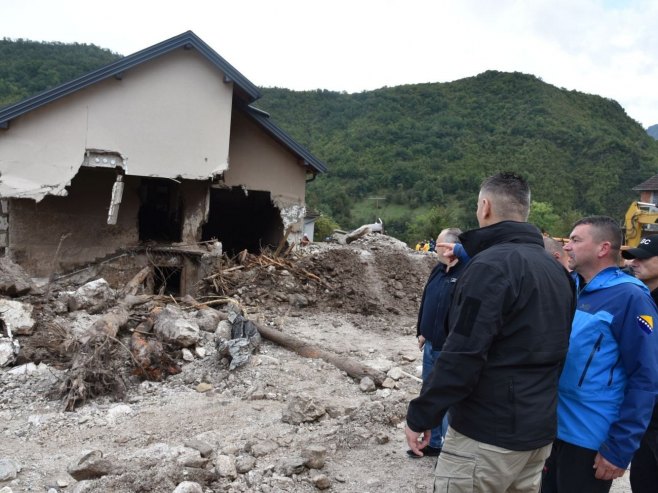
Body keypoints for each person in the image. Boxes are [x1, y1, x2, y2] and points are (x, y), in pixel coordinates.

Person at [405, 172, 575, 492]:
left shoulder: (489, 267)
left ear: (485, 206)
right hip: (536, 434)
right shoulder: (556, 270)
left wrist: (422, 414)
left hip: (486, 435)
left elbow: (463, 354)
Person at [542, 216, 658, 493]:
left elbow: (645, 378)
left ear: (603, 248)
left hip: (590, 438)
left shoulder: (630, 298)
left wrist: (619, 447)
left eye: (576, 240)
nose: (567, 246)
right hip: (552, 429)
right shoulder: (573, 288)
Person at [407, 227, 465, 459]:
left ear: (449, 248)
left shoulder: (466, 274)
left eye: (438, 244)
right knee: (429, 393)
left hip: (449, 350)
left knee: (448, 399)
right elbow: (427, 301)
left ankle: (449, 448)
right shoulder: (438, 270)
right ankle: (434, 442)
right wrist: (422, 331)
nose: (434, 249)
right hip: (430, 345)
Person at [620, 236, 658, 493]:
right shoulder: (641, 298)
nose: (635, 261)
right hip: (646, 418)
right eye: (634, 256)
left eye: (643, 256)